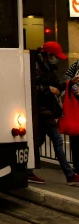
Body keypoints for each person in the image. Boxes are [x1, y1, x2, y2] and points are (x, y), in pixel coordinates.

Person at [29, 41, 79, 186]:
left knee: (39, 141)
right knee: (56, 141)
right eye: (55, 56)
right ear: (48, 55)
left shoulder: (47, 66)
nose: (56, 59)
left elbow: (57, 85)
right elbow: (31, 85)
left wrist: (69, 82)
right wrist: (47, 89)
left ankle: (27, 170)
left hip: (45, 109)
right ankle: (70, 175)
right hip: (41, 110)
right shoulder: (36, 66)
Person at [64, 56, 79, 176]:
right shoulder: (77, 64)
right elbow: (67, 80)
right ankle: (77, 165)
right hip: (76, 104)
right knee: (76, 135)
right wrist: (75, 88)